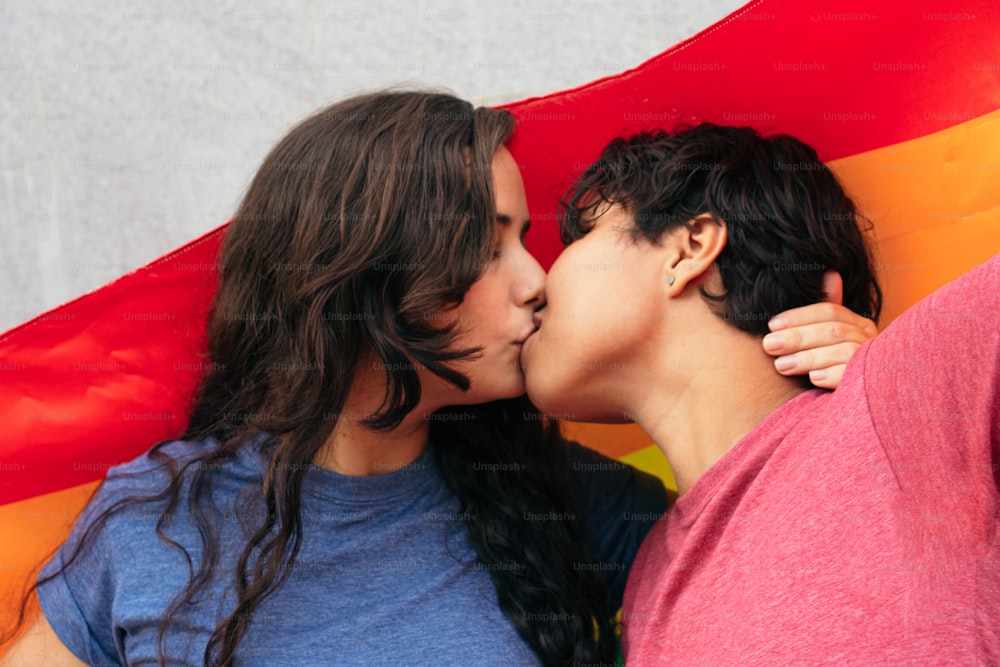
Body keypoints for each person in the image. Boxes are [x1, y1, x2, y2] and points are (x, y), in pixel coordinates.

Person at [2, 94, 872, 667]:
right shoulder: (153, 521)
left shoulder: (568, 503)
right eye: (490, 245)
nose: (536, 281)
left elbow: (832, 579)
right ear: (366, 265)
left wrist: (873, 403)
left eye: (527, 241)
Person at [521, 123, 1000, 664]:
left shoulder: (913, 390)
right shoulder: (649, 576)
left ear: (690, 248)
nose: (534, 285)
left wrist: (904, 380)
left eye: (579, 235)